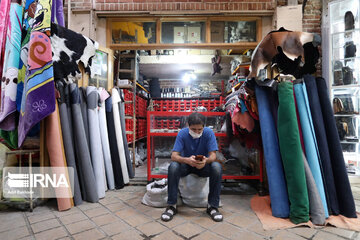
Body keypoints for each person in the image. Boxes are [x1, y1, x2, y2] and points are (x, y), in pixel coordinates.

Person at [161, 112, 223, 222]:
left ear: (204, 126)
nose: (197, 132)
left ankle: (213, 206)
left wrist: (205, 161)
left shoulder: (208, 133)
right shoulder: (182, 133)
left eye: (200, 129)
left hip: (204, 166)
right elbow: (174, 156)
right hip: (187, 165)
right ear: (188, 126)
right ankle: (171, 206)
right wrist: (187, 160)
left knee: (216, 167)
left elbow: (213, 155)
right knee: (173, 167)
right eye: (193, 129)